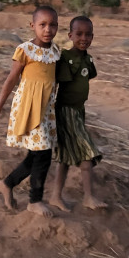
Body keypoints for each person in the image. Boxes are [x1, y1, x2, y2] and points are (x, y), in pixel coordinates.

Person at [0, 6, 60, 217]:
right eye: (42, 25)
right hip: (29, 107)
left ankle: (8, 183)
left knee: (38, 153)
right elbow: (11, 80)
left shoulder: (55, 52)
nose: (48, 29)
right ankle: (34, 201)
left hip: (46, 110)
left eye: (53, 24)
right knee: (43, 154)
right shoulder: (25, 50)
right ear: (32, 26)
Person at [49, 16, 107, 211]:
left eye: (88, 34)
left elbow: (87, 77)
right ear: (70, 35)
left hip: (79, 112)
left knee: (65, 157)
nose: (84, 38)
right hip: (66, 112)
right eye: (79, 34)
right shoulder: (65, 58)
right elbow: (57, 84)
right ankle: (89, 197)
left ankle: (55, 196)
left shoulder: (87, 59)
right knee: (87, 154)